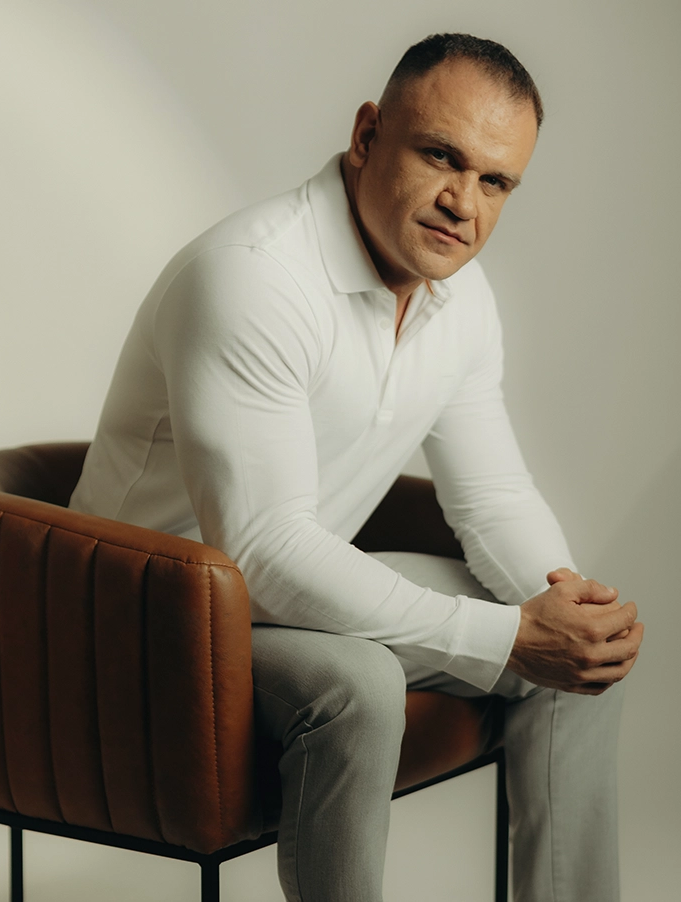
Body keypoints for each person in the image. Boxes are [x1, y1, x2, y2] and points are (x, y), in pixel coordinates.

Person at [69, 33, 644, 902]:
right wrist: (506, 637)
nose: (463, 204)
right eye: (441, 156)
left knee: (578, 659)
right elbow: (263, 552)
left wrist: (561, 610)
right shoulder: (254, 279)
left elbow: (491, 496)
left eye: (495, 182)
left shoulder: (459, 296)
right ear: (368, 134)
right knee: (363, 684)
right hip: (142, 624)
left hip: (277, 606)